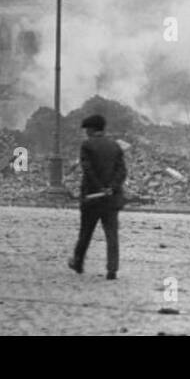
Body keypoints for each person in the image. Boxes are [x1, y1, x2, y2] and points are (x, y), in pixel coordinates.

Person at [68, 113, 127, 279]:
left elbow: (88, 170)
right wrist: (111, 188)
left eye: (87, 129)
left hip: (92, 199)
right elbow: (122, 171)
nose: (85, 133)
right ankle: (112, 269)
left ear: (91, 129)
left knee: (85, 232)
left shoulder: (87, 145)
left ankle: (78, 263)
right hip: (111, 199)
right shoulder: (115, 146)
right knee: (112, 235)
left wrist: (100, 187)